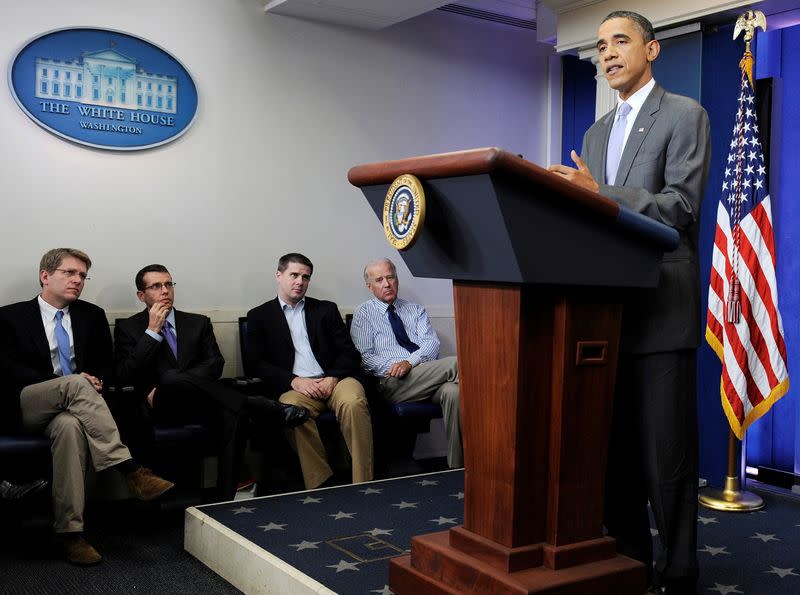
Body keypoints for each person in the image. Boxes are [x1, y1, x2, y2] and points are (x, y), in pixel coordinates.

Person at [548, 11, 711, 595]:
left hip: (662, 309)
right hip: (602, 316)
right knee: (611, 456)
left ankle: (681, 570)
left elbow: (681, 207)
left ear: (653, 49)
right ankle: (630, 564)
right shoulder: (593, 134)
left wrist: (600, 193)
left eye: (620, 41)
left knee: (665, 458)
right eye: (600, 46)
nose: (608, 53)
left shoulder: (685, 114)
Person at [0, 249, 174, 566]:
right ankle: (130, 469)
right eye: (70, 273)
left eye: (82, 275)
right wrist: (75, 382)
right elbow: (8, 371)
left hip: (73, 410)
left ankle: (70, 534)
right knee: (74, 384)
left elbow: (106, 368)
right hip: (25, 404)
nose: (78, 280)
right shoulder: (10, 316)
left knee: (69, 427)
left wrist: (94, 380)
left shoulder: (90, 316)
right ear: (45, 276)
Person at [113, 264, 308, 501]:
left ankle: (224, 500)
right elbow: (125, 374)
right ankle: (258, 404)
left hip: (202, 403)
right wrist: (152, 331)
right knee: (170, 379)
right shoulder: (129, 328)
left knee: (230, 413)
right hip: (159, 406)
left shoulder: (197, 323)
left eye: (168, 284)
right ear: (141, 296)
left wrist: (181, 381)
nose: (165, 290)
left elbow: (215, 364)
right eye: (156, 286)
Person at [245, 253, 373, 490]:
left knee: (354, 402)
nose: (300, 282)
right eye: (294, 275)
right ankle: (321, 482)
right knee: (292, 411)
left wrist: (332, 377)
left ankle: (362, 483)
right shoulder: (259, 316)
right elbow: (255, 363)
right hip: (296, 387)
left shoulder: (325, 310)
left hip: (336, 380)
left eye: (305, 277)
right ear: (279, 276)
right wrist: (294, 381)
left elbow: (350, 353)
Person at [350, 258, 462, 468]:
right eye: (379, 280)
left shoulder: (415, 310)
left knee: (454, 393)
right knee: (457, 364)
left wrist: (409, 362)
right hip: (391, 382)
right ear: (369, 286)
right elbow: (365, 357)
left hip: (424, 375)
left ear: (397, 279)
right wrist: (396, 367)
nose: (387, 284)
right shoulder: (364, 313)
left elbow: (431, 343)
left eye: (390, 277)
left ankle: (458, 467)